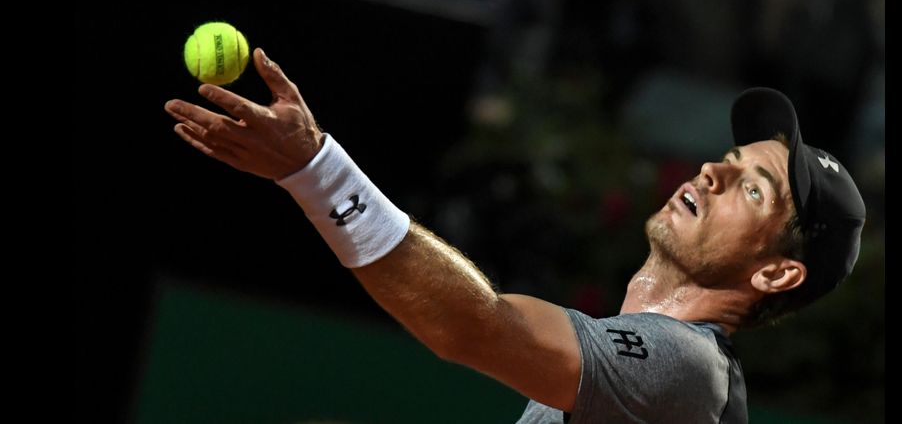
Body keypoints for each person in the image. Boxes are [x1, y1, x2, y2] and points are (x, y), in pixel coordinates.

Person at [164, 48, 865, 423]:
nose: (713, 169)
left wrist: (316, 170)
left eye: (751, 189)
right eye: (732, 160)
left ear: (776, 274)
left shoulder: (686, 370)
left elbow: (473, 327)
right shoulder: (625, 377)